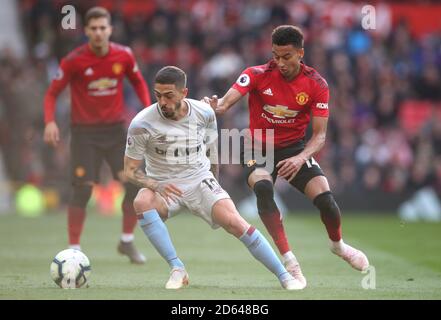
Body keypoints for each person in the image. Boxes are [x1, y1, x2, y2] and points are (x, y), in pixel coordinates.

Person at [203, 25, 369, 287]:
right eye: (275, 56)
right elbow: (224, 103)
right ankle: (290, 262)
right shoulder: (256, 74)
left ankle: (338, 246)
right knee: (263, 187)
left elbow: (320, 136)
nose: (279, 62)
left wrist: (301, 157)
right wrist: (215, 107)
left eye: (286, 56)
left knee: (326, 200)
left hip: (294, 148)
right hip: (257, 145)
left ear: (301, 53)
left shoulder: (316, 84)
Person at [124, 66, 304, 290]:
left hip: (199, 180)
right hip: (164, 186)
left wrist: (215, 184)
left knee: (236, 223)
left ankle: (284, 276)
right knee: (141, 202)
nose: (162, 102)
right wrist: (154, 184)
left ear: (184, 92)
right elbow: (130, 170)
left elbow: (212, 150)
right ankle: (177, 268)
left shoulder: (204, 112)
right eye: (158, 95)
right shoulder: (141, 123)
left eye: (169, 95)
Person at [43, 7, 151, 264]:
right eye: (94, 28)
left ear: (110, 30)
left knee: (133, 185)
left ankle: (126, 242)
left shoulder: (123, 55)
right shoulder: (73, 60)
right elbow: (51, 93)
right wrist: (49, 122)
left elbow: (138, 82)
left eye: (103, 27)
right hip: (84, 135)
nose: (99, 32)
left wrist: (147, 112)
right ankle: (74, 250)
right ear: (87, 31)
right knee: (82, 190)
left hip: (115, 133)